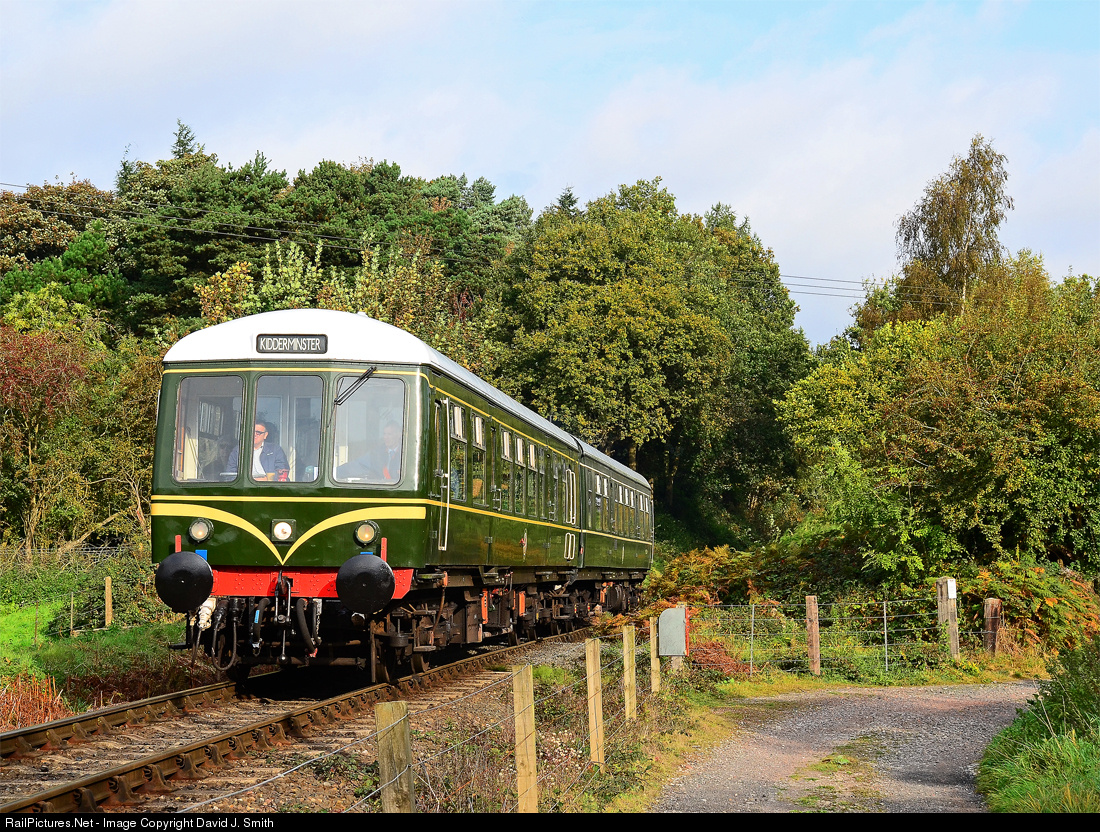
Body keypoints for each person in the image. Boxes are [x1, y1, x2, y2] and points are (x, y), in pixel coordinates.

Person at [336, 421, 402, 482]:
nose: (385, 437)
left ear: (399, 435)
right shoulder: (376, 454)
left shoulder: (405, 455)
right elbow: (357, 465)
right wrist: (335, 472)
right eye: (384, 434)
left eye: (389, 434)